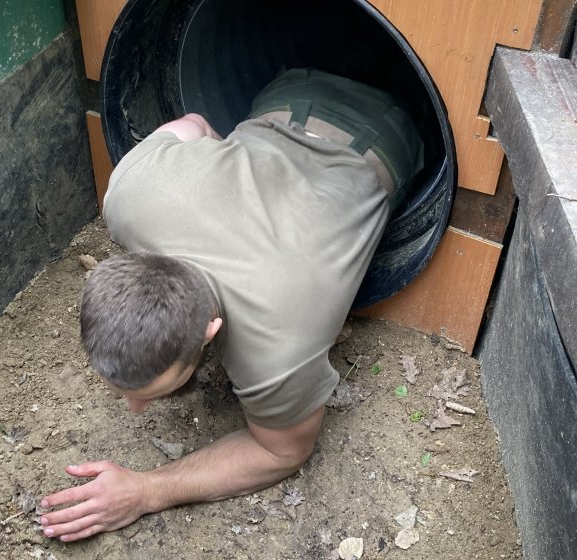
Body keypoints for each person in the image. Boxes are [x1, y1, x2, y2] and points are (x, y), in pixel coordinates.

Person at [39, 68, 424, 541]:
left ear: (210, 331)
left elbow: (281, 452)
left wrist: (147, 490)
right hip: (289, 89)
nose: (134, 410)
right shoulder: (129, 196)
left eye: (147, 391)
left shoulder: (279, 341)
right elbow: (196, 124)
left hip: (390, 131)